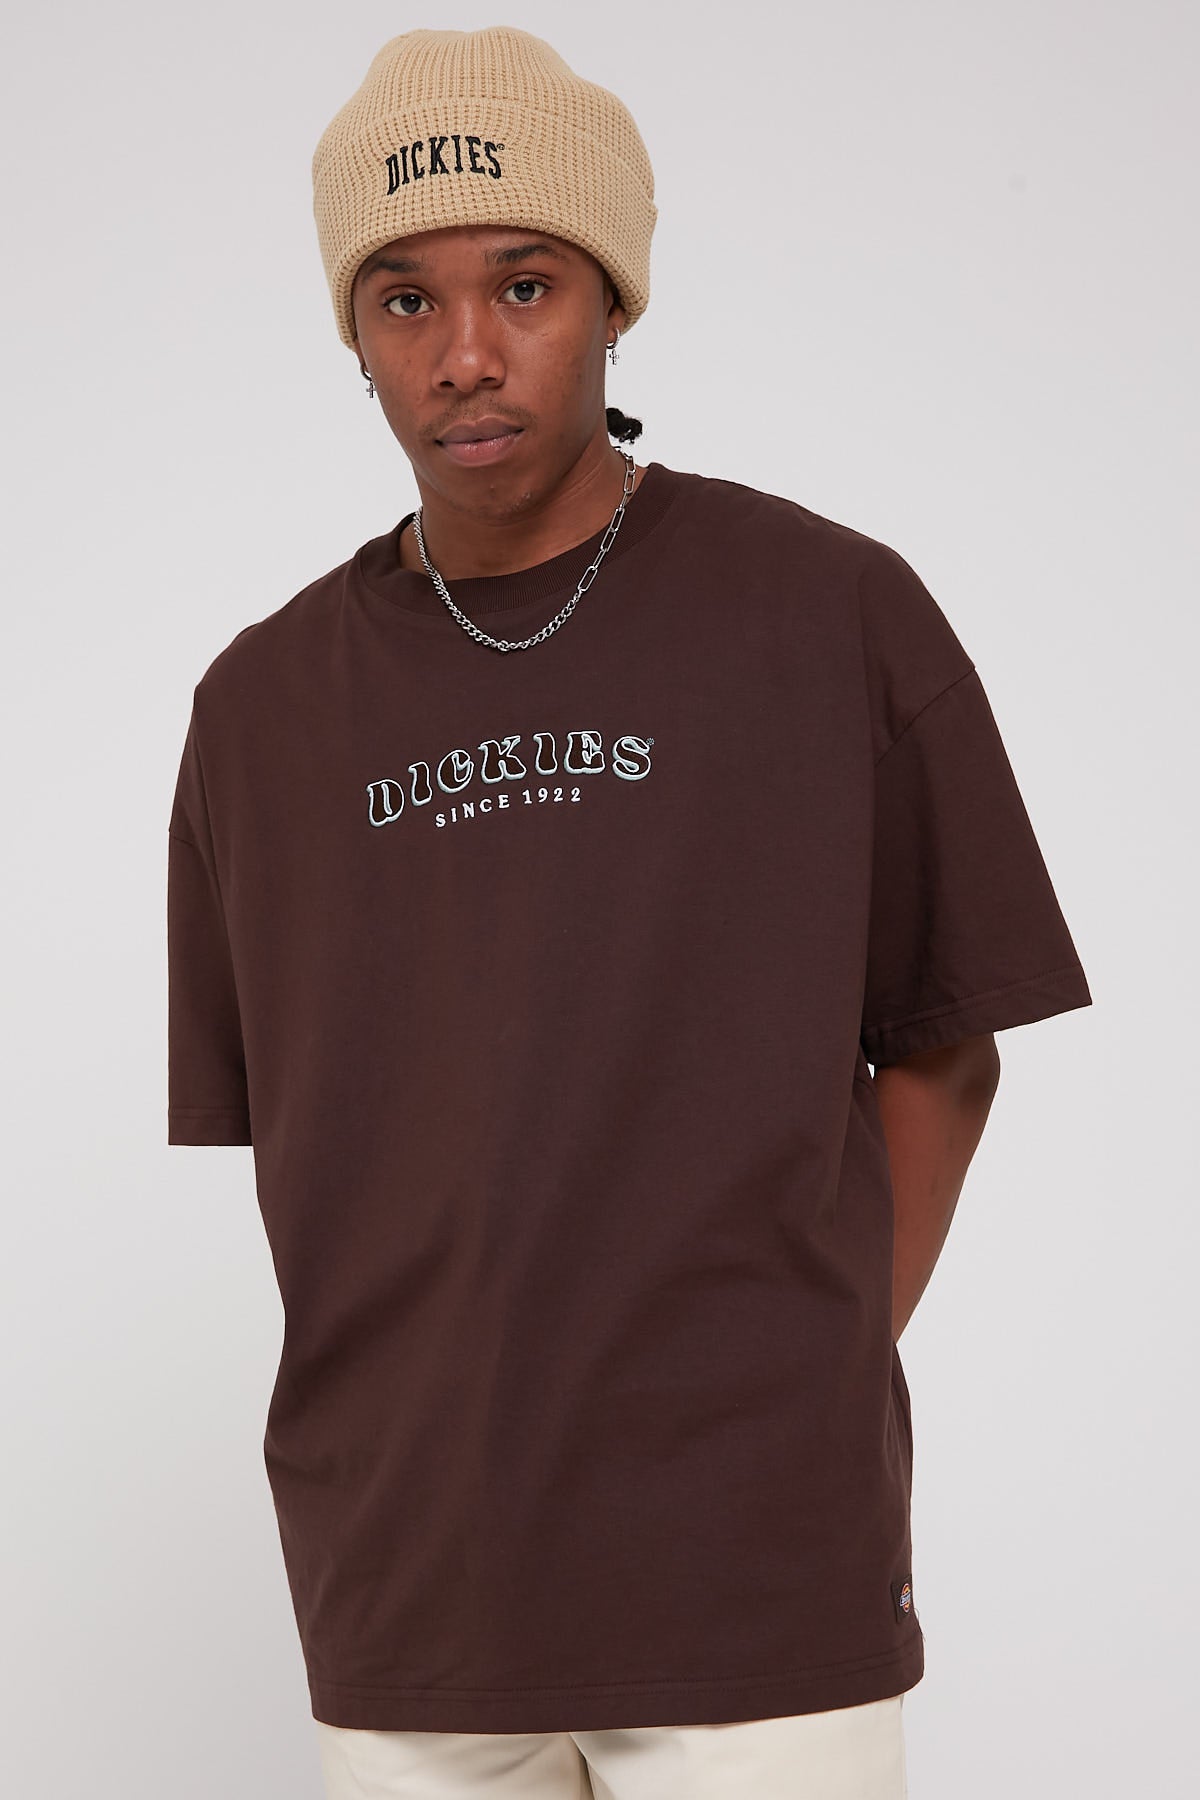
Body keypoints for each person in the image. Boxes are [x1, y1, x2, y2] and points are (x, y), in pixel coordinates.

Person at [166, 25, 1093, 1800]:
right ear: (353, 333)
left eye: (524, 284)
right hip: (409, 1593)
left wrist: (796, 1377)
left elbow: (947, 1047)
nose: (468, 353)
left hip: (752, 1585)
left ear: (613, 300)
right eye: (405, 301)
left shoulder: (826, 615)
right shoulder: (260, 712)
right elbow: (308, 1137)